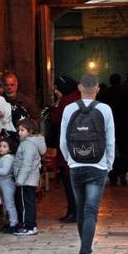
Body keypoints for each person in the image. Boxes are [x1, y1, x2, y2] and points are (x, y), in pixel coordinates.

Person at [60, 74, 115, 254]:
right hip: (97, 166)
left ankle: (87, 253)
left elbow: (63, 141)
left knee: (82, 210)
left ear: (79, 87)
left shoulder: (69, 109)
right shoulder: (104, 109)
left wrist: (70, 160)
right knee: (91, 211)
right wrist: (108, 165)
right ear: (98, 88)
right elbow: (110, 139)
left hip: (76, 166)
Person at [47, 76, 79, 223]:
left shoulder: (67, 101)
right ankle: (76, 211)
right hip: (78, 147)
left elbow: (56, 119)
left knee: (69, 180)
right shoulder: (77, 98)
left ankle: (74, 212)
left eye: (57, 88)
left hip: (69, 147)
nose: (55, 91)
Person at [13, 118, 47, 236]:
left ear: (30, 131)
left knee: (25, 203)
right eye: (19, 130)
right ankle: (31, 226)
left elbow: (26, 164)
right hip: (29, 179)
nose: (19, 132)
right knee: (29, 202)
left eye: (22, 130)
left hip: (26, 180)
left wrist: (20, 180)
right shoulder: (30, 143)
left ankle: (28, 226)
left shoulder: (28, 145)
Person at [102, 73, 128, 186]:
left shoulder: (105, 94)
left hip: (109, 127)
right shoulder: (124, 94)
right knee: (124, 150)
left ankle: (112, 174)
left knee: (110, 150)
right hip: (122, 127)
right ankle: (122, 173)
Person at [0, 137, 19, 233]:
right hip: (3, 184)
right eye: (0, 146)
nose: (1, 148)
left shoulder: (8, 158)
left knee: (9, 204)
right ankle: (10, 222)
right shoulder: (3, 157)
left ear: (10, 148)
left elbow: (4, 171)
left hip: (7, 184)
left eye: (4, 146)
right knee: (5, 204)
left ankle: (14, 224)